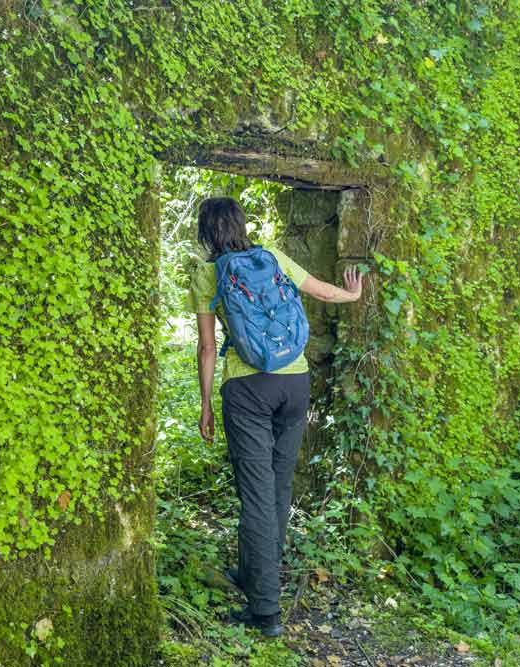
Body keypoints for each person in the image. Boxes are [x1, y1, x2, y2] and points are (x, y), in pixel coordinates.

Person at [186, 196, 365, 638]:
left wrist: (206, 403)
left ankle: (265, 611)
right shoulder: (272, 257)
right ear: (242, 225)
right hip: (295, 383)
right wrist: (353, 294)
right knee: (278, 486)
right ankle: (253, 573)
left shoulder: (208, 274)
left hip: (247, 388)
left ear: (206, 232)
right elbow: (322, 291)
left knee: (257, 495)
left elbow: (208, 349)